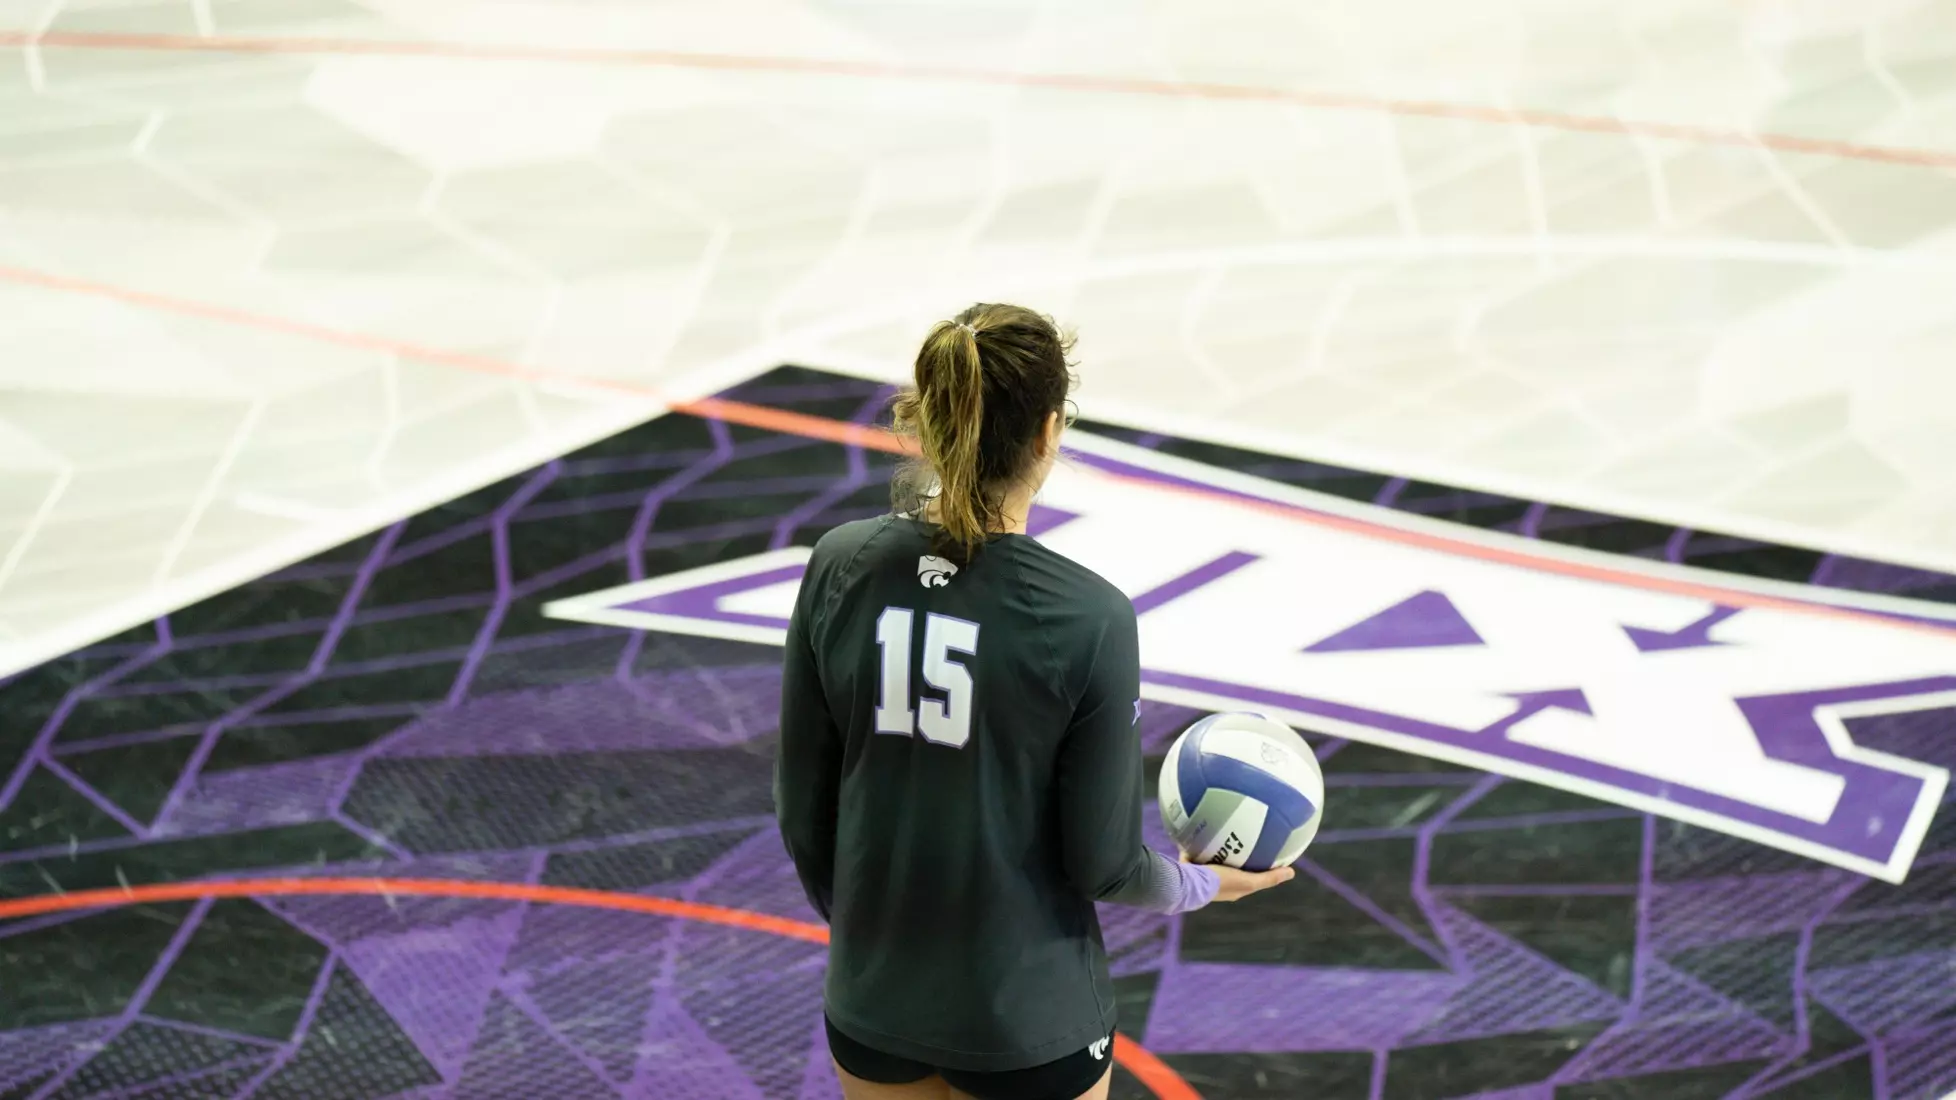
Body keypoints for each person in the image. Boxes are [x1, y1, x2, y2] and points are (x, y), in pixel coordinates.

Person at [775, 303, 1295, 1100]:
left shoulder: (838, 565)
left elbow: (802, 808)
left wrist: (872, 938)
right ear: (1050, 431)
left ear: (932, 415)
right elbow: (1104, 862)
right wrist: (1204, 882)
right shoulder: (1088, 616)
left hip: (871, 1003)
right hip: (1030, 1021)